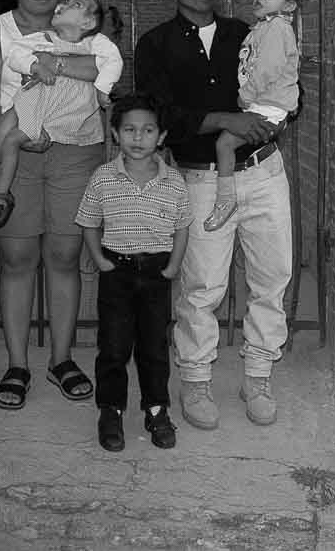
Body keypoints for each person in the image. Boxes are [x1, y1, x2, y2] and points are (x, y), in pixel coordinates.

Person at [132, 0, 291, 430]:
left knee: (271, 279)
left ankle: (257, 376)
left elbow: (282, 85)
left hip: (264, 172)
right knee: (202, 287)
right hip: (200, 180)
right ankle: (196, 382)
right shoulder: (155, 45)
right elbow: (163, 118)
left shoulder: (248, 33)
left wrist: (268, 119)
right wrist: (226, 119)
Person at [0, 0, 104, 411]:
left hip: (76, 153)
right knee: (18, 258)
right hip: (18, 153)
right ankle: (18, 363)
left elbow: (105, 79)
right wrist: (23, 133)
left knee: (65, 255)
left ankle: (62, 359)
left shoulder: (83, 31)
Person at [76, 95, 191, 452]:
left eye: (147, 130)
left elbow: (183, 226)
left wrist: (173, 265)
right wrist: (99, 259)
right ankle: (110, 410)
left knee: (154, 347)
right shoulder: (103, 177)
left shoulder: (173, 181)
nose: (138, 138)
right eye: (129, 130)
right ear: (115, 134)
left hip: (156, 272)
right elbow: (89, 222)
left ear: (161, 136)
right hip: (117, 271)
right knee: (113, 346)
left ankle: (156, 409)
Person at [0, 0, 124, 230]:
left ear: (88, 23)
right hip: (30, 98)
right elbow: (15, 55)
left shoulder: (95, 43)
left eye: (75, 5)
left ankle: (0, 195)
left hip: (57, 115)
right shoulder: (43, 37)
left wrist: (102, 90)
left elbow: (114, 61)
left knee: (11, 141)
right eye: (66, 2)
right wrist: (35, 65)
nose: (63, 5)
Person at [204, 0, 305, 231]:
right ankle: (229, 197)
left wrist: (244, 96)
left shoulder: (277, 30)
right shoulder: (265, 27)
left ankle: (226, 200)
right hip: (265, 104)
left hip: (268, 107)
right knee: (226, 140)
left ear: (289, 5)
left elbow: (266, 70)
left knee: (225, 143)